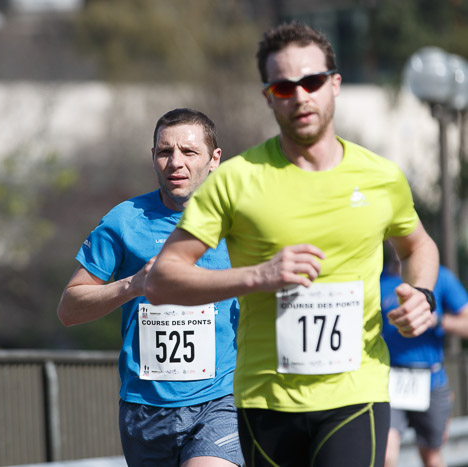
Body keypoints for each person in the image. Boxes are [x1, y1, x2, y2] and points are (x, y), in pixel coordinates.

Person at [145, 22, 440, 467]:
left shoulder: (381, 177)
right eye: (284, 87)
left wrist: (421, 294)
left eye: (312, 81)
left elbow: (418, 247)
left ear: (334, 84)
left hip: (356, 390)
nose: (300, 96)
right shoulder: (236, 180)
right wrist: (258, 276)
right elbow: (163, 280)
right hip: (266, 398)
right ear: (269, 96)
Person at [56, 108, 244, 467]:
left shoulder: (241, 221)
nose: (176, 162)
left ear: (214, 158)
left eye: (189, 152)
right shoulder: (124, 221)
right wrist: (133, 285)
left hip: (221, 399)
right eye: (164, 151)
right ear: (153, 156)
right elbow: (69, 309)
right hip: (145, 409)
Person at [381, 244, 468, 467]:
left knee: (431, 456)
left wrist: (437, 321)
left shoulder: (441, 277)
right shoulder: (377, 279)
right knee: (386, 454)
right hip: (389, 380)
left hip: (431, 379)